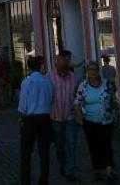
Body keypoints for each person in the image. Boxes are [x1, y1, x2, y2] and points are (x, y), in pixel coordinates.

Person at [75, 62, 119, 181]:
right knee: (94, 146)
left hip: (106, 120)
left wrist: (116, 112)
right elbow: (77, 103)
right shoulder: (83, 86)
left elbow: (113, 99)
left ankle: (109, 169)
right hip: (89, 121)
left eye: (94, 69)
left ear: (98, 71)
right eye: (90, 70)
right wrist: (79, 117)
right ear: (87, 72)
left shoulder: (106, 84)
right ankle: (98, 170)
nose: (92, 72)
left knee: (107, 145)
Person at [18, 55, 54, 185]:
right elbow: (51, 99)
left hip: (30, 119)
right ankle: (44, 179)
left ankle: (25, 180)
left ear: (28, 67)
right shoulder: (48, 81)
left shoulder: (27, 82)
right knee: (44, 151)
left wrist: (21, 117)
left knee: (26, 151)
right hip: (45, 118)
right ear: (40, 66)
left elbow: (23, 104)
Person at [49, 50, 80, 182]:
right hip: (55, 117)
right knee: (60, 146)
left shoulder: (74, 78)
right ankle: (63, 165)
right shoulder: (49, 77)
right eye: (64, 59)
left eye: (68, 59)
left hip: (70, 117)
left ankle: (70, 170)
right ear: (57, 60)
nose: (66, 62)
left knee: (71, 144)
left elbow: (78, 97)